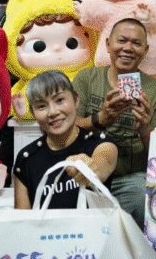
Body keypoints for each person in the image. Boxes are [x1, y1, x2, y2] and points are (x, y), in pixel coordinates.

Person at [73, 18, 156, 225]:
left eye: (136, 43)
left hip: (131, 177)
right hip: (90, 169)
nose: (128, 48)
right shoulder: (87, 78)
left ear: (145, 51)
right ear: (108, 44)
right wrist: (100, 119)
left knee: (141, 199)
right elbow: (69, 128)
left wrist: (145, 128)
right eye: (122, 40)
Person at [13, 70, 118, 209]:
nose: (52, 112)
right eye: (41, 106)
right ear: (33, 113)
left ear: (76, 100)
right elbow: (22, 218)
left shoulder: (101, 144)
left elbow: (100, 166)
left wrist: (87, 167)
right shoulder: (26, 159)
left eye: (59, 100)